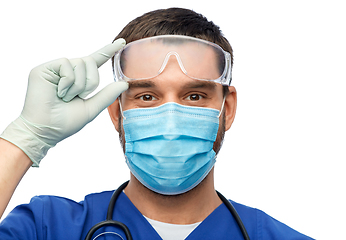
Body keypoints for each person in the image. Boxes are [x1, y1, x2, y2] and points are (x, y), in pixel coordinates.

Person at [0, 7, 313, 240]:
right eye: (147, 97)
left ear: (227, 108)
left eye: (194, 96)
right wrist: (25, 137)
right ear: (116, 112)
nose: (171, 119)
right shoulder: (47, 228)